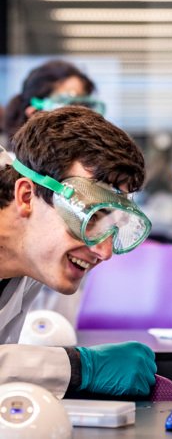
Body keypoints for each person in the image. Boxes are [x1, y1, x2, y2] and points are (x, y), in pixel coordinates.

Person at [0, 105, 156, 398]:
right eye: (90, 216)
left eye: (115, 226)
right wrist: (76, 367)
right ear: (26, 197)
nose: (104, 251)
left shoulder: (33, 249)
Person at [3, 60, 105, 324]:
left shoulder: (78, 182)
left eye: (87, 107)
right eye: (69, 106)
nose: (80, 121)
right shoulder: (23, 178)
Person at [3, 59, 104, 149]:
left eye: (85, 105)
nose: (82, 115)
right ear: (34, 113)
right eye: (70, 104)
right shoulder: (10, 163)